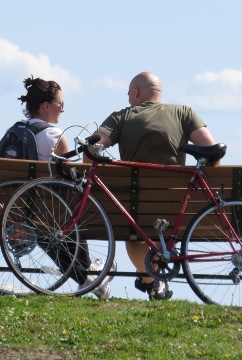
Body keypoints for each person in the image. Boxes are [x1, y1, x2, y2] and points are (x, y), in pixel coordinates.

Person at [86, 71, 218, 300]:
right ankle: (157, 281)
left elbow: (91, 153)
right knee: (164, 226)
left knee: (133, 231)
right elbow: (213, 154)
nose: (128, 99)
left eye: (128, 94)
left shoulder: (121, 117)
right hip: (176, 207)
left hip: (134, 207)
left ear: (136, 91)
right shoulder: (183, 112)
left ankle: (152, 281)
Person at [15, 76, 116, 299]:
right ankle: (90, 276)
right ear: (45, 106)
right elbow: (70, 181)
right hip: (50, 212)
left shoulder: (12, 133)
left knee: (49, 223)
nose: (63, 108)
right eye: (60, 103)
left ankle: (89, 278)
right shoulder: (54, 135)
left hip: (15, 213)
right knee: (74, 205)